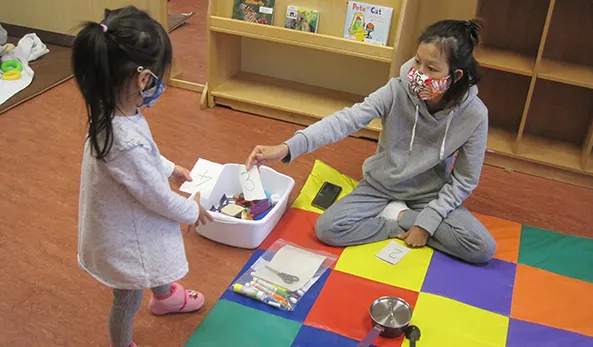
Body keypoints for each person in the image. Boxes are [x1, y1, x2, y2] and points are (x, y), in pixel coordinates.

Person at [246, 19, 496, 264]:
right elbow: (346, 120)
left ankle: (403, 215)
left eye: (431, 69)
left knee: (481, 248)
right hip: (381, 185)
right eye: (417, 61)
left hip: (430, 193)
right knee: (328, 229)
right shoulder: (397, 89)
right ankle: (395, 217)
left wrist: (426, 222)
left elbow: (464, 180)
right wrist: (288, 147)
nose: (419, 74)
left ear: (456, 75)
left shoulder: (475, 115)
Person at [73, 7, 213, 347]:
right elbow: (157, 197)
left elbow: (144, 157)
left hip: (126, 219)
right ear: (144, 79)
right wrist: (192, 211)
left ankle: (164, 297)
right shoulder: (125, 139)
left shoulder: (111, 107)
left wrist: (168, 168)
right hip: (122, 235)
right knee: (127, 297)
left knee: (155, 252)